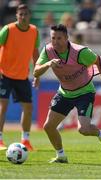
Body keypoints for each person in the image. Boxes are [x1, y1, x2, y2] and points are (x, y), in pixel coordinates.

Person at [33, 24, 101, 163]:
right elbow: (36, 71)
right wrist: (48, 64)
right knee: (48, 126)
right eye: (53, 38)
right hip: (64, 93)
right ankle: (61, 156)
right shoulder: (48, 51)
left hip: (84, 92)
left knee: (83, 129)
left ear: (66, 38)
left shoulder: (80, 52)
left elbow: (98, 61)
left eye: (59, 38)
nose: (55, 42)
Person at [0, 4, 40, 151]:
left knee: (28, 108)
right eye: (20, 14)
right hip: (4, 74)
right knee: (3, 106)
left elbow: (35, 53)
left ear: (30, 16)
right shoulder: (8, 30)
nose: (23, 17)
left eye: (25, 14)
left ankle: (26, 140)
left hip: (22, 76)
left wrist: (37, 73)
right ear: (16, 15)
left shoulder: (34, 31)